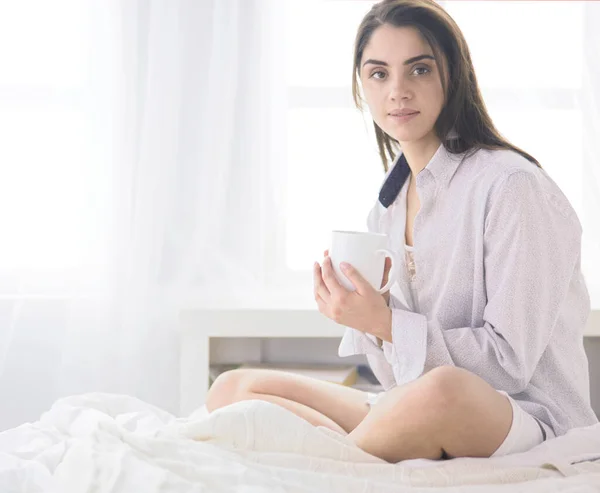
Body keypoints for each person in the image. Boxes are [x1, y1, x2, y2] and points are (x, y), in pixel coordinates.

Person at [205, 0, 597, 463]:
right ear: (361, 87)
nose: (397, 91)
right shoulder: (387, 208)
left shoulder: (513, 187)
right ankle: (341, 456)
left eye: (419, 70)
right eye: (378, 74)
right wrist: (367, 316)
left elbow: (507, 366)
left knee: (443, 390)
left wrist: (385, 323)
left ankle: (331, 466)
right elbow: (398, 382)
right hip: (419, 406)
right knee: (235, 388)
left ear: (454, 75)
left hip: (531, 421)